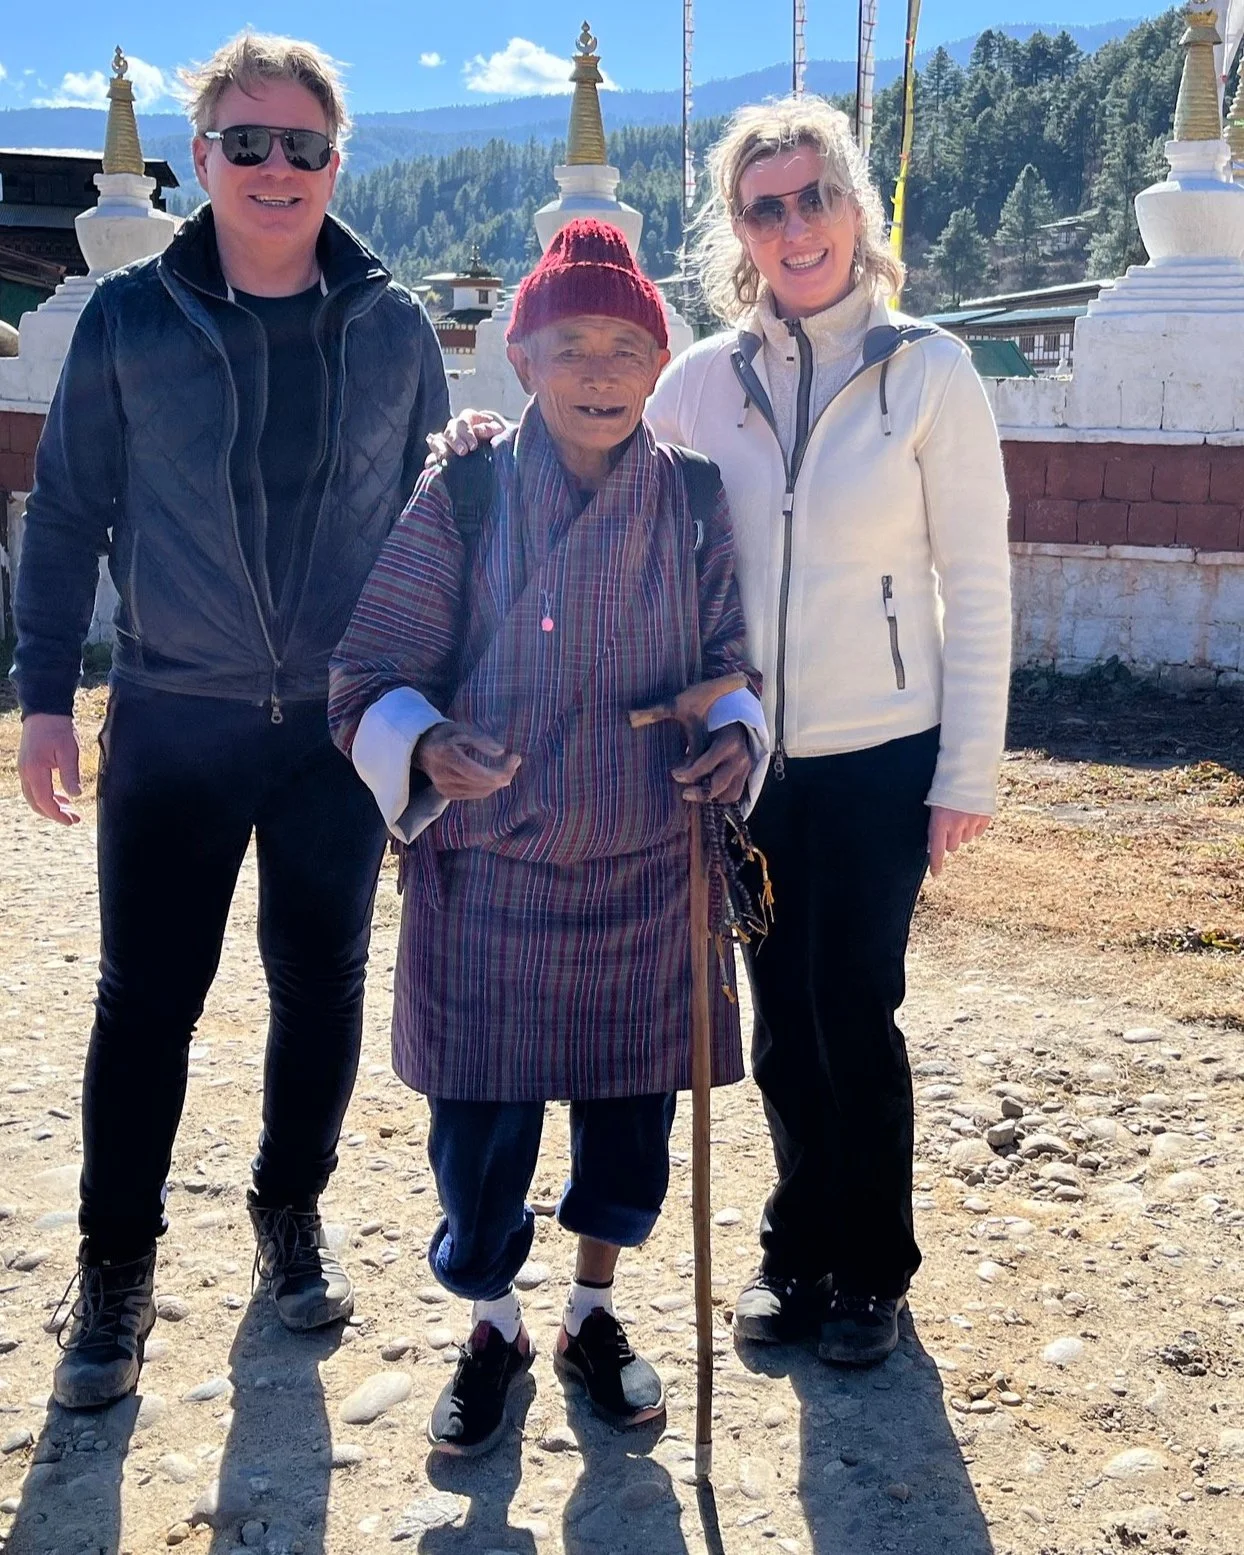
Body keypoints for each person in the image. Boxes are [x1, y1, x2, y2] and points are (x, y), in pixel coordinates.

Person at [433, 97, 1012, 1367]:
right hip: (734, 762)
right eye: (766, 206)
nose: (794, 225)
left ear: (855, 208)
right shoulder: (696, 379)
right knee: (769, 1013)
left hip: (878, 750)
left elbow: (975, 582)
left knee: (849, 1004)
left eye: (814, 196)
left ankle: (869, 1264)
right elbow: (601, 460)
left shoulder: (926, 371)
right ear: (738, 233)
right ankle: (792, 1249)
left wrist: (965, 765)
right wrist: (481, 436)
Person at [12, 32, 449, 1410]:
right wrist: (40, 700)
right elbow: (69, 513)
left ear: (335, 164)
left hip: (336, 725)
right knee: (146, 1003)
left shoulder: (394, 324)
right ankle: (117, 1269)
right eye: (246, 143)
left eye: (303, 146)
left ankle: (289, 1216)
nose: (275, 168)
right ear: (201, 159)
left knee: (319, 987)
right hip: (172, 713)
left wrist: (436, 709)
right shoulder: (131, 319)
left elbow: (436, 523)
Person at [329, 218, 767, 1457]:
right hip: (490, 878)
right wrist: (423, 746)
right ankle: (492, 1327)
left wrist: (734, 728)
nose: (597, 371)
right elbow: (365, 676)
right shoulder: (463, 490)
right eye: (569, 344)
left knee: (629, 1127)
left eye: (624, 346)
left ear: (653, 364)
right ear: (520, 359)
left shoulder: (688, 496)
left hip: (647, 868)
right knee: (481, 1137)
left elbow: (726, 663)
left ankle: (588, 1312)